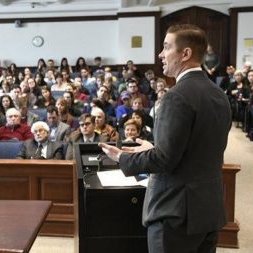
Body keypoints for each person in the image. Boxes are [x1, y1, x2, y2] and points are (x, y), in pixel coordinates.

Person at [99, 24, 231, 253]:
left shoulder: (176, 97)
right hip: (208, 209)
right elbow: (199, 147)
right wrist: (157, 147)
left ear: (186, 53)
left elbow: (164, 161)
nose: (160, 54)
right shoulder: (218, 93)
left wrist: (123, 158)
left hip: (176, 212)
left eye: (166, 47)